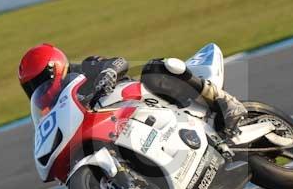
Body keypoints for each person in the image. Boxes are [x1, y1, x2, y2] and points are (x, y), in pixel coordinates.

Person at [18, 43, 247, 136]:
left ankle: (223, 100)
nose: (38, 88)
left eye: (39, 81)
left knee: (156, 69)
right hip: (116, 130)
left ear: (54, 68)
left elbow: (118, 61)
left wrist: (107, 74)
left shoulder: (84, 69)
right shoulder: (56, 109)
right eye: (31, 86)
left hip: (142, 101)